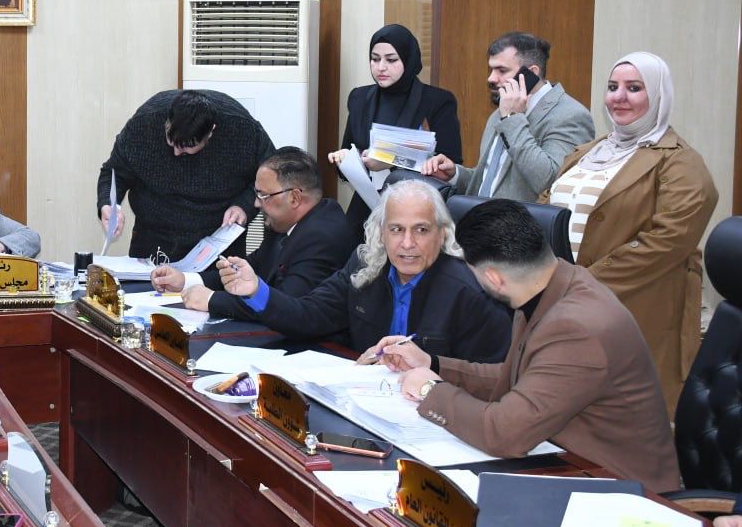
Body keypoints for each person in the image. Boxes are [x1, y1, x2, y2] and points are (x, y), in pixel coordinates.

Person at [378, 199, 679, 492]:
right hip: (564, 464)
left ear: (494, 278)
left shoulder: (576, 328)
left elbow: (502, 433)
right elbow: (518, 378)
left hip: (621, 493)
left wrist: (431, 390)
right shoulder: (552, 285)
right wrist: (433, 365)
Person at [543, 51, 717, 413]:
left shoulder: (681, 162)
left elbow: (666, 242)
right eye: (613, 87)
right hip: (561, 305)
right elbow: (544, 209)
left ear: (658, 95)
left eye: (634, 88)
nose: (619, 97)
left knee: (620, 421)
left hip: (634, 312)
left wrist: (581, 284)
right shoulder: (587, 152)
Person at [218, 180, 510, 361]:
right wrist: (256, 291)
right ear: (381, 233)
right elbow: (308, 316)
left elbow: (490, 380)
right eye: (396, 229)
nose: (408, 243)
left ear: (442, 234)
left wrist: (424, 376)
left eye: (421, 230)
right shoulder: (365, 266)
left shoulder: (469, 291)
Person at [152, 147, 358, 320]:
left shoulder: (322, 237)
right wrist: (185, 280)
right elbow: (246, 273)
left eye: (263, 195)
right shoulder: (281, 223)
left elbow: (286, 305)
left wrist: (211, 300)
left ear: (294, 198)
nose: (256, 204)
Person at [98, 89, 275, 260]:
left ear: (211, 132)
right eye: (171, 142)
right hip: (153, 237)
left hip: (219, 238)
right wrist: (109, 204)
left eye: (186, 147)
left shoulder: (243, 128)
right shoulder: (144, 122)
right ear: (167, 122)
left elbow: (273, 179)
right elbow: (114, 173)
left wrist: (244, 206)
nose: (176, 153)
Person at [421, 32, 593, 201]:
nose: (491, 78)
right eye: (491, 69)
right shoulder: (499, 113)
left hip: (521, 219)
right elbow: (492, 179)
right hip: (480, 216)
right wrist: (454, 174)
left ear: (532, 73)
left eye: (502, 70)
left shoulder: (570, 115)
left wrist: (512, 118)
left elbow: (549, 182)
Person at [329, 24, 462, 235]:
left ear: (408, 60)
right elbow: (348, 156)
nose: (381, 67)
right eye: (375, 59)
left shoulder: (437, 101)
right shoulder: (359, 98)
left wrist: (390, 160)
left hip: (417, 210)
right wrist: (345, 160)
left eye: (391, 60)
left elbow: (449, 166)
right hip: (366, 209)